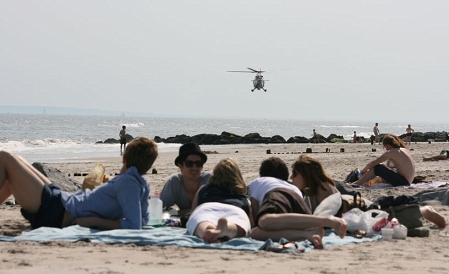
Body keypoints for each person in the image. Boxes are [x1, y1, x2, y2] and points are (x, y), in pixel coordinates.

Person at [0, 136, 158, 230]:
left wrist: (94, 222)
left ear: (124, 158)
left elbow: (134, 225)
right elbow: (143, 219)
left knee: (5, 158)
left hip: (57, 212)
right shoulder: (140, 183)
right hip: (62, 201)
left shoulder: (128, 184)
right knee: (16, 159)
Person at [298, 155, 447, 228]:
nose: (291, 178)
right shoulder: (320, 186)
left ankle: (424, 210)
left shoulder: (321, 187)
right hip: (359, 207)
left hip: (361, 209)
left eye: (295, 174)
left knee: (389, 215)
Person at [248, 157, 347, 249]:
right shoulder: (302, 190)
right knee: (255, 233)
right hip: (297, 205)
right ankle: (308, 234)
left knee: (264, 221)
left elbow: (256, 214)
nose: (291, 177)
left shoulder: (258, 182)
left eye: (294, 173)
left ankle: (327, 220)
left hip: (279, 196)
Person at [186, 158, 252, 243]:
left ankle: (207, 230)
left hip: (207, 207)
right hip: (235, 209)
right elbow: (252, 223)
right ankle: (227, 229)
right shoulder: (242, 197)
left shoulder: (203, 189)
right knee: (238, 228)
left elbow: (193, 211)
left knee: (201, 223)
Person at [160, 143, 212, 216]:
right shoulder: (174, 182)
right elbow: (159, 208)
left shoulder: (210, 180)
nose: (194, 167)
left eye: (199, 163)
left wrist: (180, 212)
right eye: (189, 164)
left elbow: (220, 206)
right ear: (180, 166)